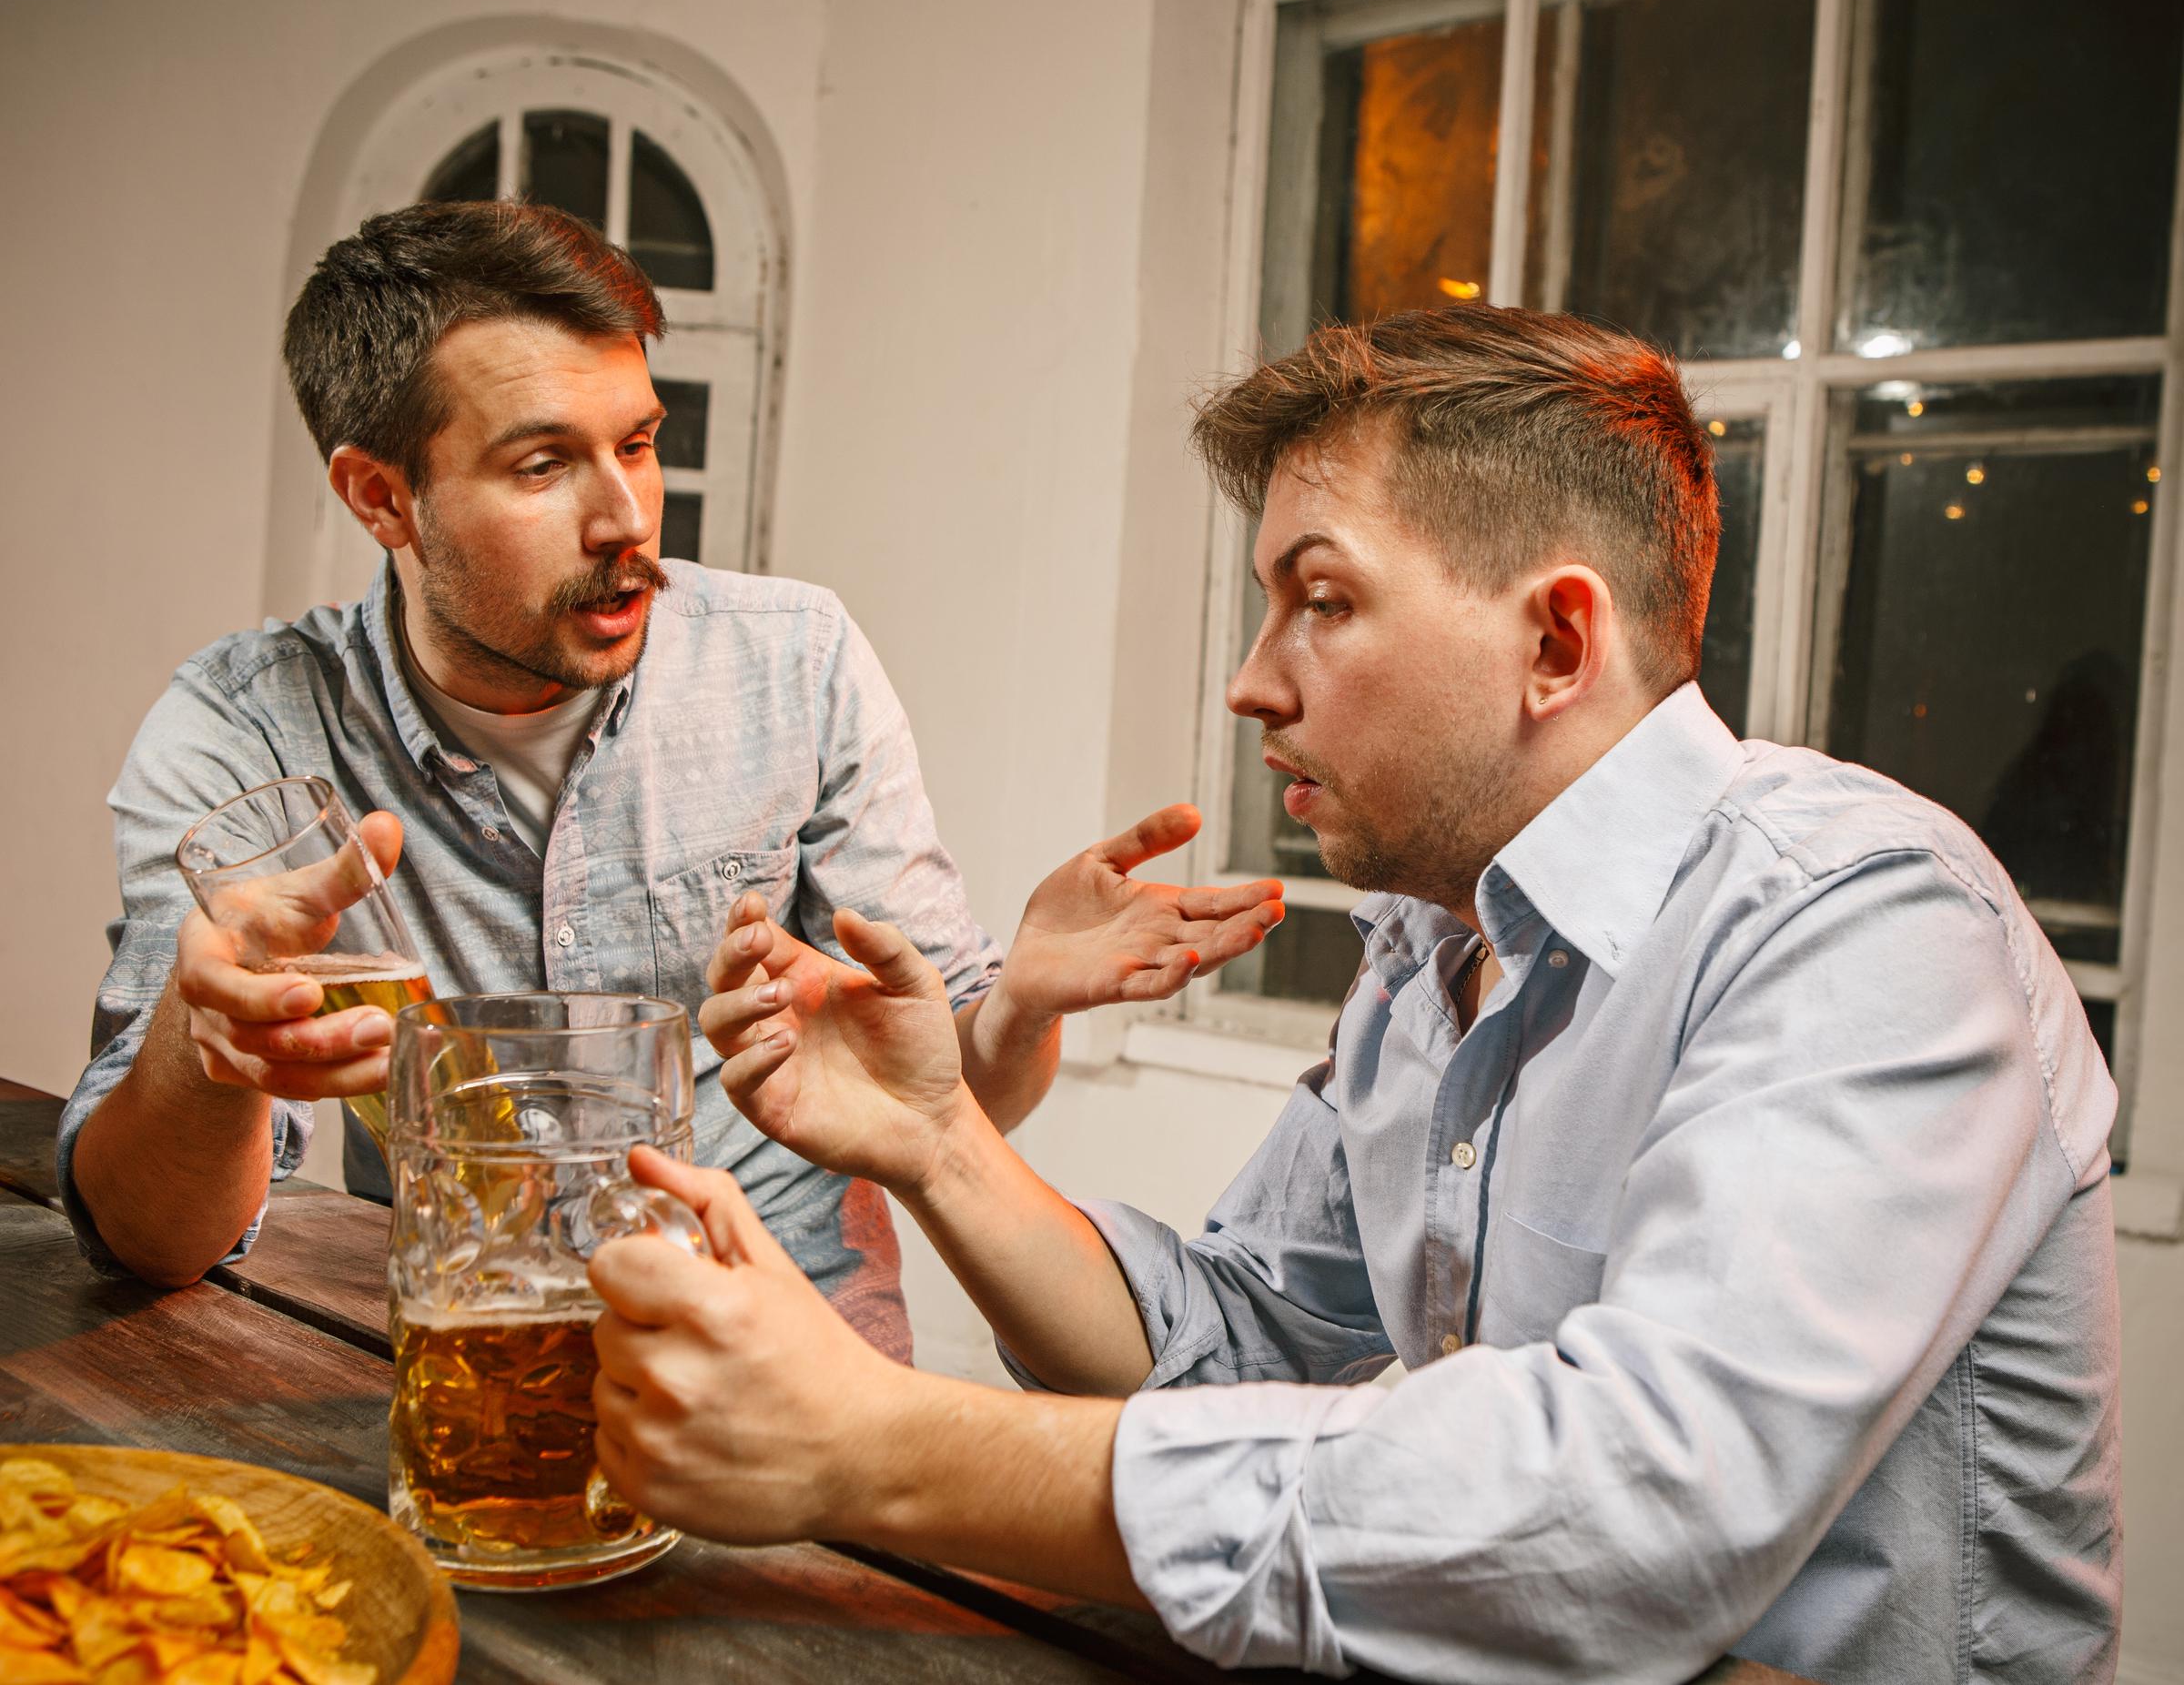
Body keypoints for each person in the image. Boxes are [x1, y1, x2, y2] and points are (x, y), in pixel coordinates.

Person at [586, 307, 2122, 1684]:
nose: (1255, 682)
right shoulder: (1428, 949)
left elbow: (1636, 1517)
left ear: (1555, 641)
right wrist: (939, 1140)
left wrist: (872, 1445)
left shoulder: (1862, 924)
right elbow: (1233, 1341)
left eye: (1319, 601)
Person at [56, 199, 1283, 1360]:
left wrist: (1019, 1006)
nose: (625, 519)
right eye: (543, 467)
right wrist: (204, 1038)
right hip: (473, 1387)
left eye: (638, 444)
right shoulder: (246, 727)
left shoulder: (795, 663)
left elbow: (948, 1099)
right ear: (382, 496)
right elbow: (151, 1242)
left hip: (800, 1389)